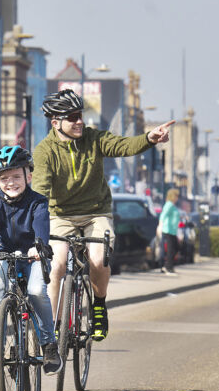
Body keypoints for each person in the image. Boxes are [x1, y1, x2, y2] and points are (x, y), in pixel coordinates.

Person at [32, 89, 174, 342]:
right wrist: (32, 225)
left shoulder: (93, 139)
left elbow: (122, 145)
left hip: (96, 212)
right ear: (55, 123)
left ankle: (98, 305)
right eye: (72, 117)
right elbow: (40, 191)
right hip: (60, 215)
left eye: (80, 116)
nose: (79, 121)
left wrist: (149, 139)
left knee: (98, 260)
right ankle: (50, 329)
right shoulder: (45, 151)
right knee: (56, 266)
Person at [0, 145, 61, 376]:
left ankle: (49, 345)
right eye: (4, 178)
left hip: (35, 255)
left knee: (34, 290)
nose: (10, 182)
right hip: (7, 253)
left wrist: (38, 246)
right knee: (0, 285)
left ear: (28, 176)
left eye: (16, 176)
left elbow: (41, 225)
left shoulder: (38, 202)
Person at [158, 188, 182, 275]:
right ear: (172, 196)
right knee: (171, 249)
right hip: (168, 230)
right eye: (176, 196)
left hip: (172, 231)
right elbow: (163, 215)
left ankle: (167, 266)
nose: (177, 198)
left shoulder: (172, 205)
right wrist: (160, 225)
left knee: (176, 248)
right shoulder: (169, 205)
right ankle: (168, 268)